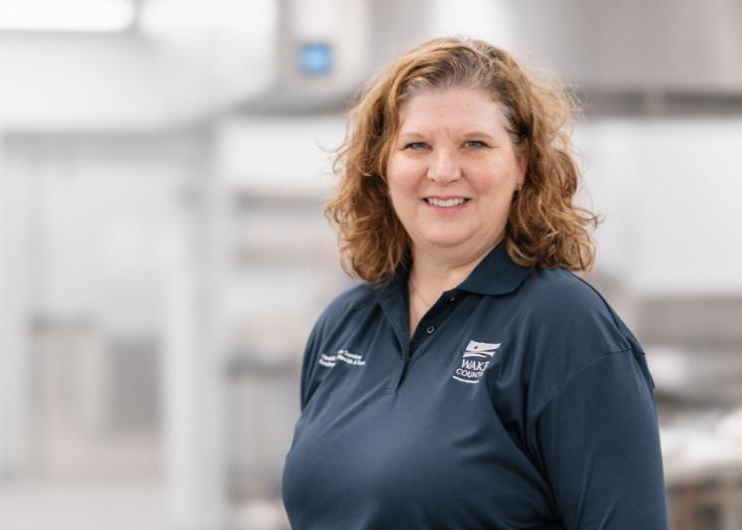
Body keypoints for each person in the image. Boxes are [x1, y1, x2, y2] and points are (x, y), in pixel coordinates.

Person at [281, 36, 669, 529]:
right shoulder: (344, 325)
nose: (443, 171)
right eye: (416, 145)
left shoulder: (565, 326)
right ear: (383, 164)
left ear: (521, 165)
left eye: (475, 144)